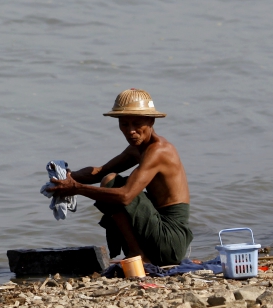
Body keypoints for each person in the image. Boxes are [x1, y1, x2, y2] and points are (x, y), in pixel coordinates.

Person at [46, 88, 193, 266]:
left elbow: (125, 196)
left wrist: (76, 189)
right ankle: (139, 254)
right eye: (124, 124)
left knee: (112, 182)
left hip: (170, 240)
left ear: (151, 121)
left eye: (137, 124)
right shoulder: (137, 149)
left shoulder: (158, 151)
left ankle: (137, 255)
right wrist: (68, 177)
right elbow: (100, 171)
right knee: (108, 178)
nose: (131, 131)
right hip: (160, 233)